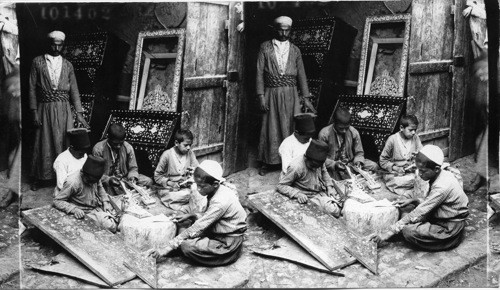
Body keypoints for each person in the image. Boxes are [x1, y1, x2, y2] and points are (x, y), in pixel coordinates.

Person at [370, 145, 469, 251]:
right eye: (418, 169)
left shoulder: (442, 186)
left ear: (436, 169)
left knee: (408, 231)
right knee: (408, 202)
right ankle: (409, 225)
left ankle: (449, 240)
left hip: (449, 227)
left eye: (423, 171)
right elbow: (431, 202)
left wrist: (389, 232)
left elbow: (421, 210)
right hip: (441, 214)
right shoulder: (441, 174)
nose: (419, 174)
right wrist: (414, 200)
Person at [148, 160, 247, 266]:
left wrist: (167, 247)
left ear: (215, 184)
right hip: (217, 228)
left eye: (202, 186)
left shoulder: (220, 201)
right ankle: (182, 240)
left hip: (227, 242)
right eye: (197, 185)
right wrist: (192, 215)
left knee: (187, 246)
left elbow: (200, 226)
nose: (198, 189)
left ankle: (181, 245)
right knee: (185, 212)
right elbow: (210, 216)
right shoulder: (217, 190)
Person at [29, 31, 89, 191]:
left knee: (64, 140)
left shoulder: (68, 65)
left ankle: (63, 178)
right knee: (43, 141)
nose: (56, 47)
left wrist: (79, 114)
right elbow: (31, 88)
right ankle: (40, 177)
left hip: (63, 109)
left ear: (63, 45)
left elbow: (74, 90)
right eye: (53, 44)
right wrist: (34, 111)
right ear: (49, 43)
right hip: (45, 108)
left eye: (59, 44)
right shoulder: (37, 62)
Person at [256, 16, 316, 176]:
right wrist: (261, 95)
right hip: (271, 93)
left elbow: (302, 74)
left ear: (290, 30)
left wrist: (306, 98)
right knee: (270, 126)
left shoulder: (295, 50)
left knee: (290, 126)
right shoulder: (265, 47)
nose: (283, 33)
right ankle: (268, 161)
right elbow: (259, 73)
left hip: (291, 93)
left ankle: (292, 163)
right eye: (281, 29)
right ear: (275, 29)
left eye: (287, 30)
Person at [277, 139, 346, 218]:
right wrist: (297, 194)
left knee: (345, 195)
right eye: (313, 166)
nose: (315, 168)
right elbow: (281, 185)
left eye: (318, 166)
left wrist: (329, 187)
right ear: (306, 158)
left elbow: (324, 172)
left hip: (320, 188)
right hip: (308, 195)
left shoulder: (319, 161)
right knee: (333, 210)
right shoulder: (296, 167)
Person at [53, 155, 118, 233]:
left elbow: (100, 187)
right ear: (83, 173)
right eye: (90, 181)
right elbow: (57, 201)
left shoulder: (95, 177)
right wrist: (74, 209)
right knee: (110, 226)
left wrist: (105, 201)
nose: (92, 183)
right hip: (84, 212)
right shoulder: (73, 182)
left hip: (96, 206)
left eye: (95, 181)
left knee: (119, 213)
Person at [319, 107, 379, 180]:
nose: (344, 131)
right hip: (334, 166)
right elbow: (320, 159)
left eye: (346, 128)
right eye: (341, 128)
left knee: (374, 166)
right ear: (334, 123)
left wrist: (358, 161)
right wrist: (334, 164)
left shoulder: (353, 132)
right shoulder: (324, 134)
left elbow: (359, 152)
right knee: (335, 179)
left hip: (350, 163)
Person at [92, 123, 152, 195]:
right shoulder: (99, 149)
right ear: (109, 138)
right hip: (108, 181)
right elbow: (95, 174)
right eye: (115, 144)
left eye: (121, 143)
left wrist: (132, 176)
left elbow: (133, 168)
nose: (118, 146)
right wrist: (109, 180)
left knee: (148, 181)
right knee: (110, 193)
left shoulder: (128, 147)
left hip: (125, 178)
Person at [154, 129, 205, 214]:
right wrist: (171, 183)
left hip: (185, 187)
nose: (188, 148)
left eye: (190, 145)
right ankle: (187, 203)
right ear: (176, 143)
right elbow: (157, 176)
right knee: (179, 196)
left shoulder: (190, 153)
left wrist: (193, 174)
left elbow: (197, 169)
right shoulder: (167, 155)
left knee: (199, 190)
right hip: (170, 189)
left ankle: (187, 203)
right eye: (186, 145)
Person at [379, 115, 423, 196]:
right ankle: (411, 188)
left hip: (411, 172)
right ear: (401, 128)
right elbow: (382, 160)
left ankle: (411, 186)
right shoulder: (392, 139)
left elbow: (422, 153)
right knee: (398, 181)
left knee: (424, 176)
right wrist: (396, 168)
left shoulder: (415, 138)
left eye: (415, 130)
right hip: (396, 174)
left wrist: (418, 156)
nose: (413, 132)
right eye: (411, 130)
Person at [53, 128, 90, 196]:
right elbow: (61, 185)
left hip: (82, 190)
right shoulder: (61, 160)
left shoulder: (84, 154)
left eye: (84, 152)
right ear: (72, 149)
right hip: (66, 193)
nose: (83, 156)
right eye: (81, 153)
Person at [278, 113, 315, 178]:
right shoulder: (287, 144)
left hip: (307, 172)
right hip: (292, 176)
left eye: (309, 138)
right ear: (297, 133)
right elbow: (286, 169)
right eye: (306, 138)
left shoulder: (309, 140)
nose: (308, 141)